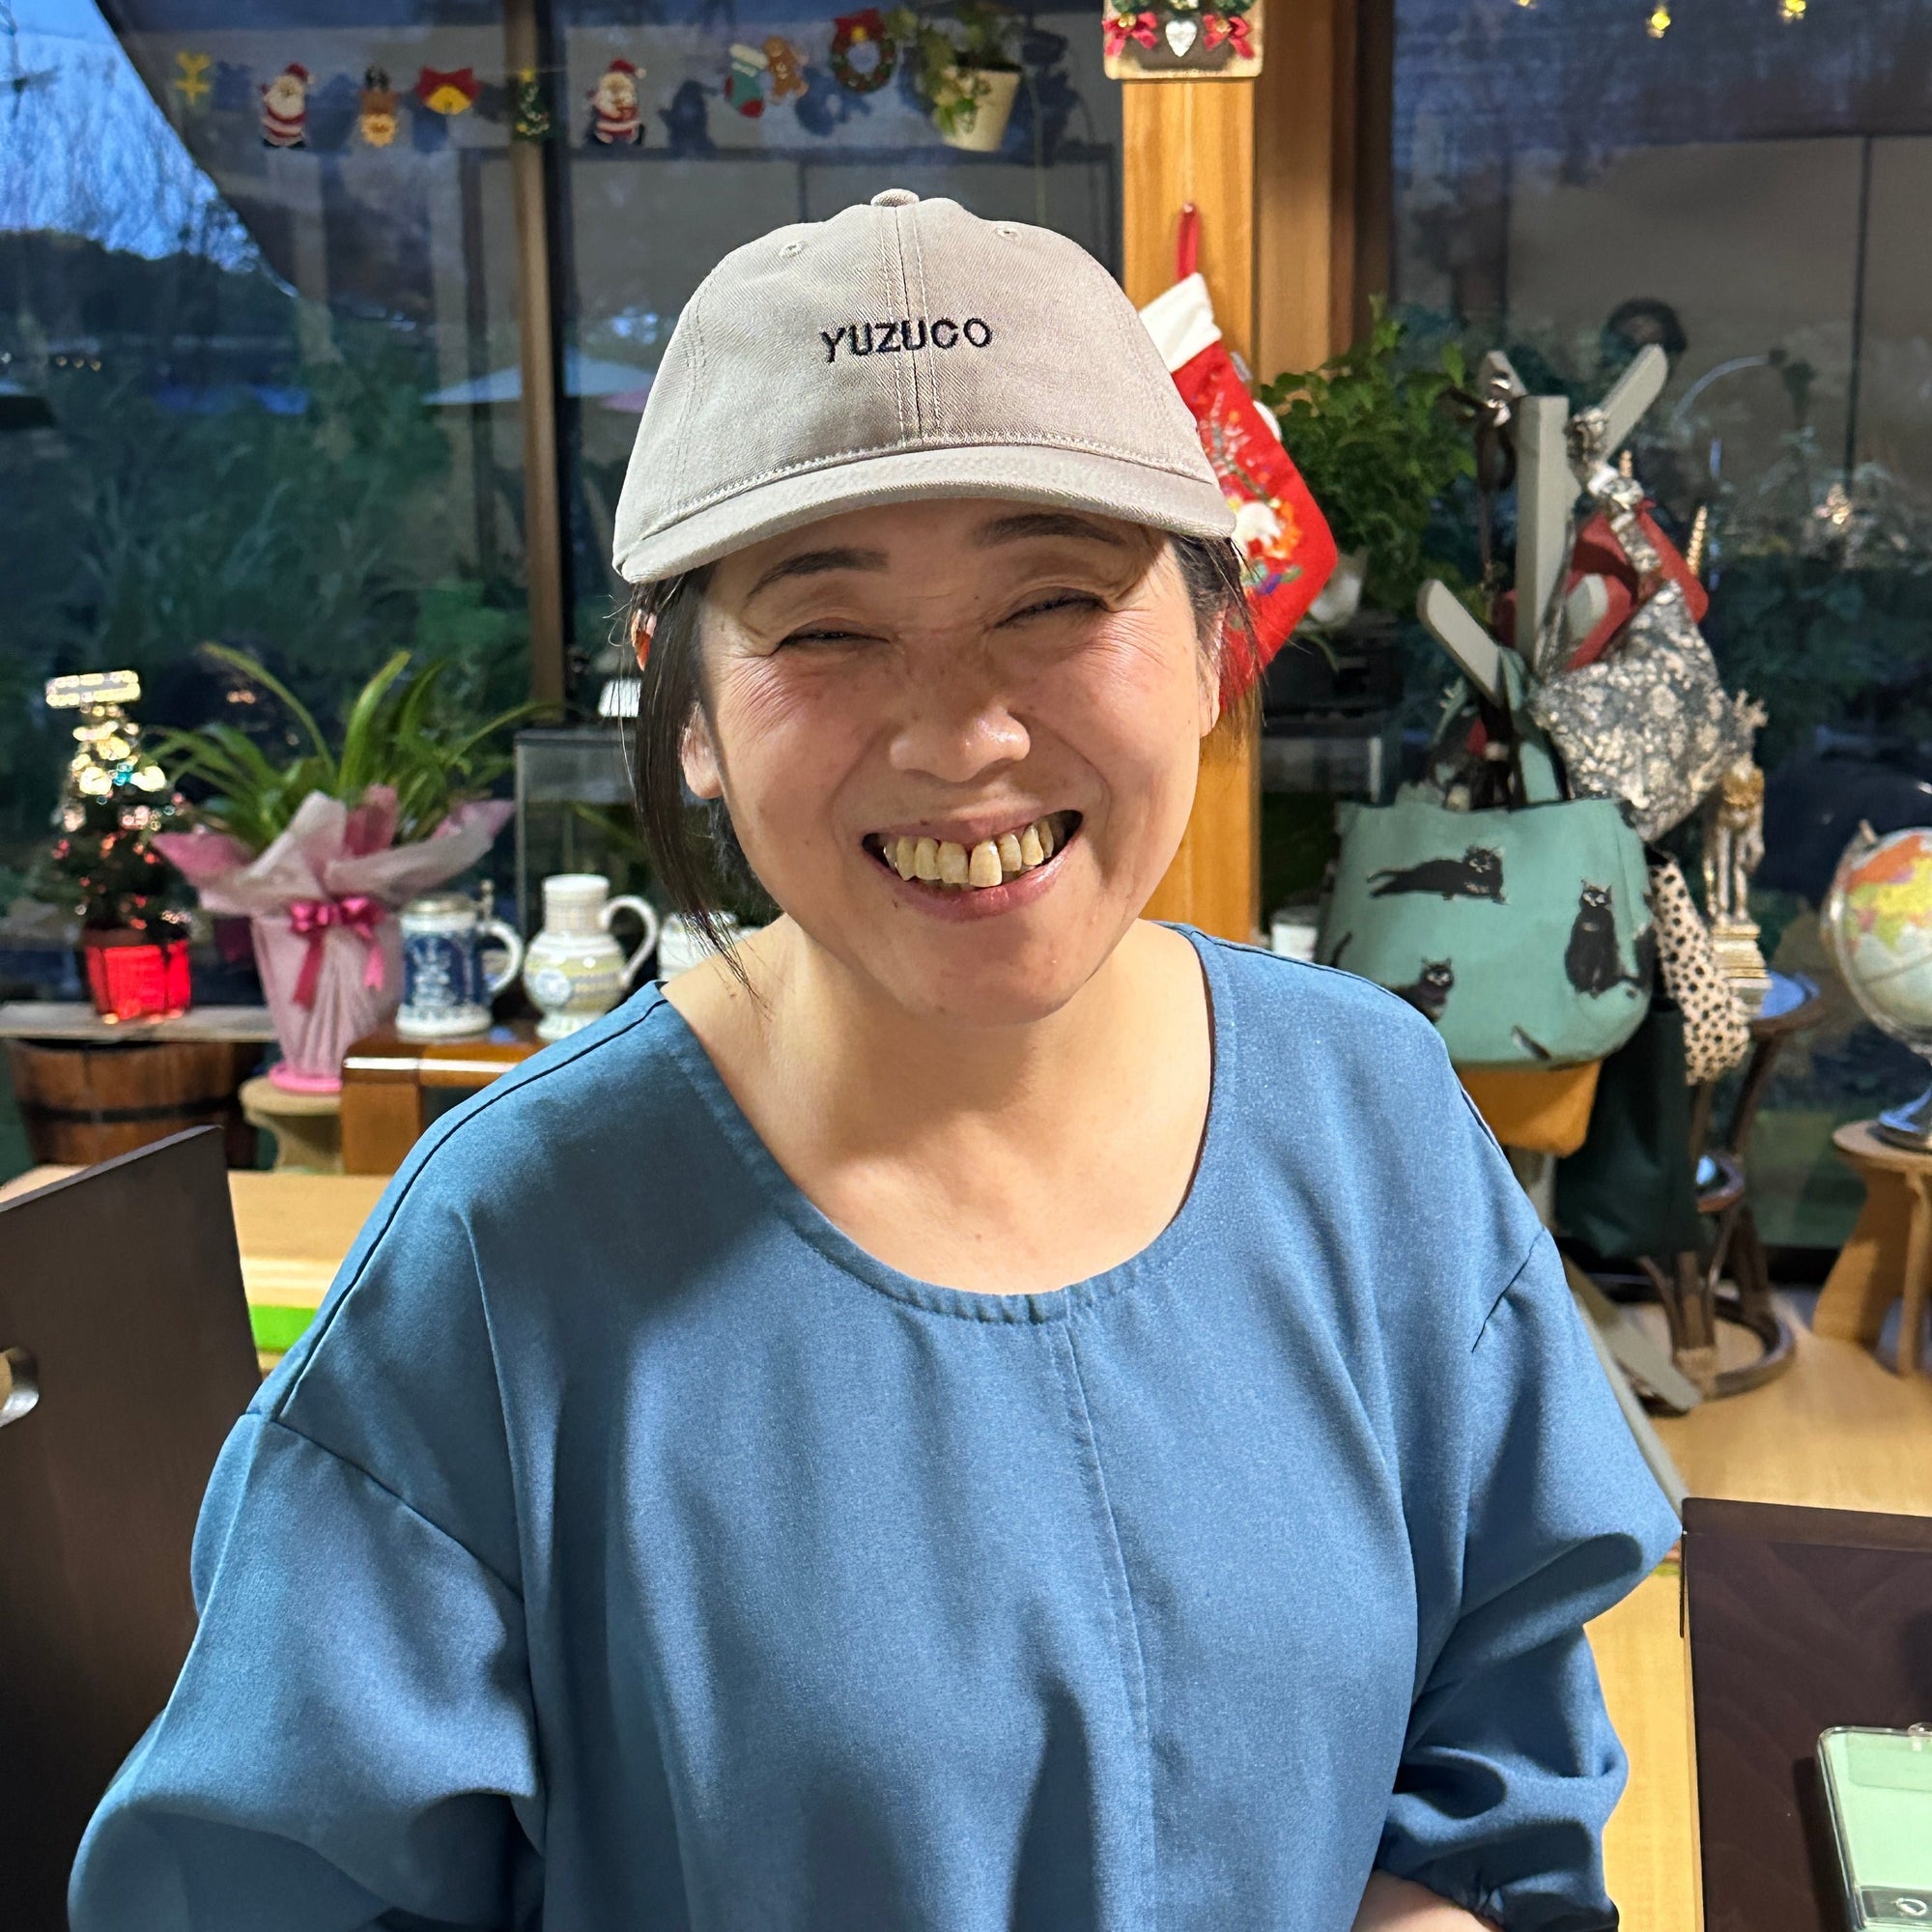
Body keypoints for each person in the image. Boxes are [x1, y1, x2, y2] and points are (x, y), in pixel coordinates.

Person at [70, 191, 1677, 1932]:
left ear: (1216, 644)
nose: (960, 732)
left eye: (1053, 598)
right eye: (825, 629)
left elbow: (1491, 1763)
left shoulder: (1370, 1117)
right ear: (687, 712)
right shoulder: (509, 1255)